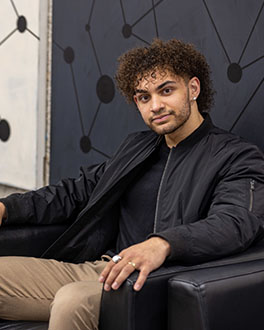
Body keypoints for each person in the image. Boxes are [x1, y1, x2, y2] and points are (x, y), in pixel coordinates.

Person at [0, 38, 264, 330]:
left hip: (152, 283)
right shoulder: (136, 147)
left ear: (193, 89)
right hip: (101, 269)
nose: (156, 106)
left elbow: (234, 222)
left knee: (71, 300)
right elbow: (74, 192)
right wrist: (6, 208)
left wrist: (164, 243)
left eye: (166, 90)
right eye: (143, 97)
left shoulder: (236, 156)